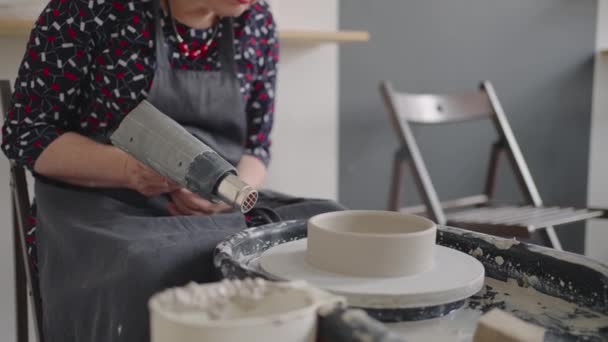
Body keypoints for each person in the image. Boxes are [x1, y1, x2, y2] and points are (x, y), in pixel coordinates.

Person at [1, 0, 342, 341]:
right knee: (150, 265)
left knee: (327, 227)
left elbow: (257, 148)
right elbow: (27, 134)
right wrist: (128, 169)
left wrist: (233, 193)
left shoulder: (256, 21)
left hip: (218, 209)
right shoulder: (89, 9)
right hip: (105, 212)